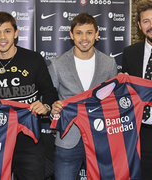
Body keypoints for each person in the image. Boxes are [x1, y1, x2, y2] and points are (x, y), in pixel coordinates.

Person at [0, 11, 58, 180]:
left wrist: (46, 106)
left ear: (16, 33)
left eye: (7, 31)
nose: (2, 37)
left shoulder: (33, 59)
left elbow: (49, 92)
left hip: (28, 138)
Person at [48, 13, 117, 180]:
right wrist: (53, 107)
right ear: (71, 35)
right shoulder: (57, 64)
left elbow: (113, 102)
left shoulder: (109, 64)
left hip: (100, 137)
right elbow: (49, 98)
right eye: (79, 33)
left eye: (89, 32)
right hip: (68, 139)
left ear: (97, 34)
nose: (84, 38)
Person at [122, 0, 152, 179]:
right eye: (146, 21)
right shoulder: (130, 53)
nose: (151, 25)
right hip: (140, 131)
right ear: (140, 26)